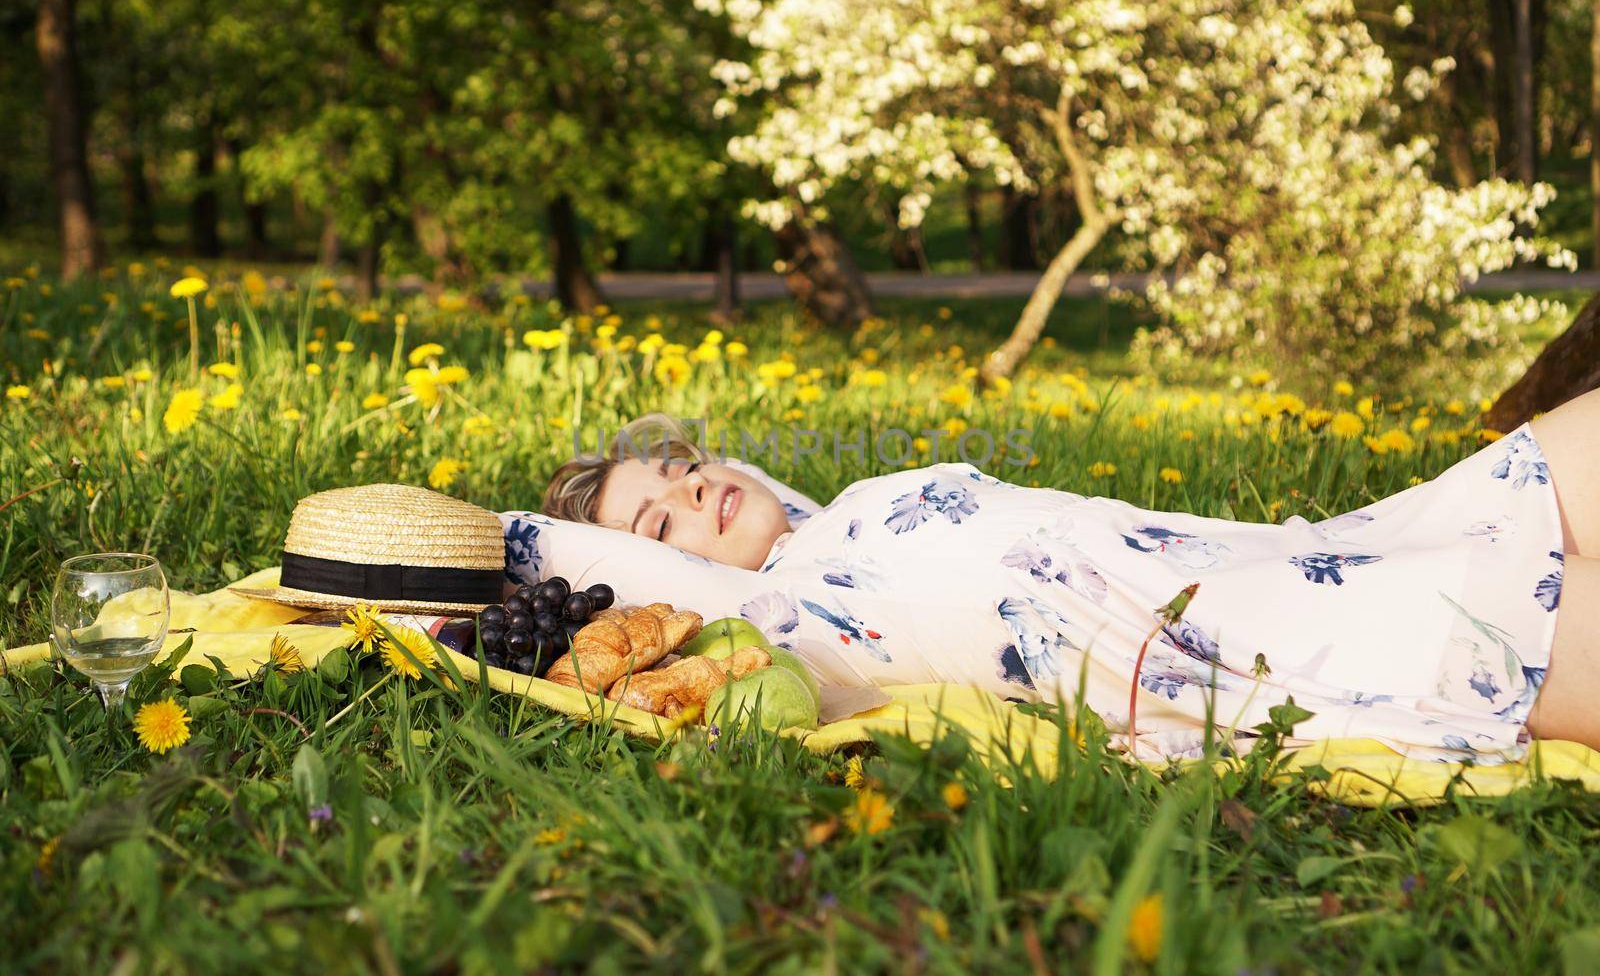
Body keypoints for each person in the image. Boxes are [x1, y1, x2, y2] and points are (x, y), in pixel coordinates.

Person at [541, 394, 1599, 761]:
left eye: (681, 467)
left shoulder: (852, 504)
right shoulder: (792, 616)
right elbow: (540, 550)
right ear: (655, 568)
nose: (692, 490)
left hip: (1303, 550)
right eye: (658, 518)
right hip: (1282, 637)